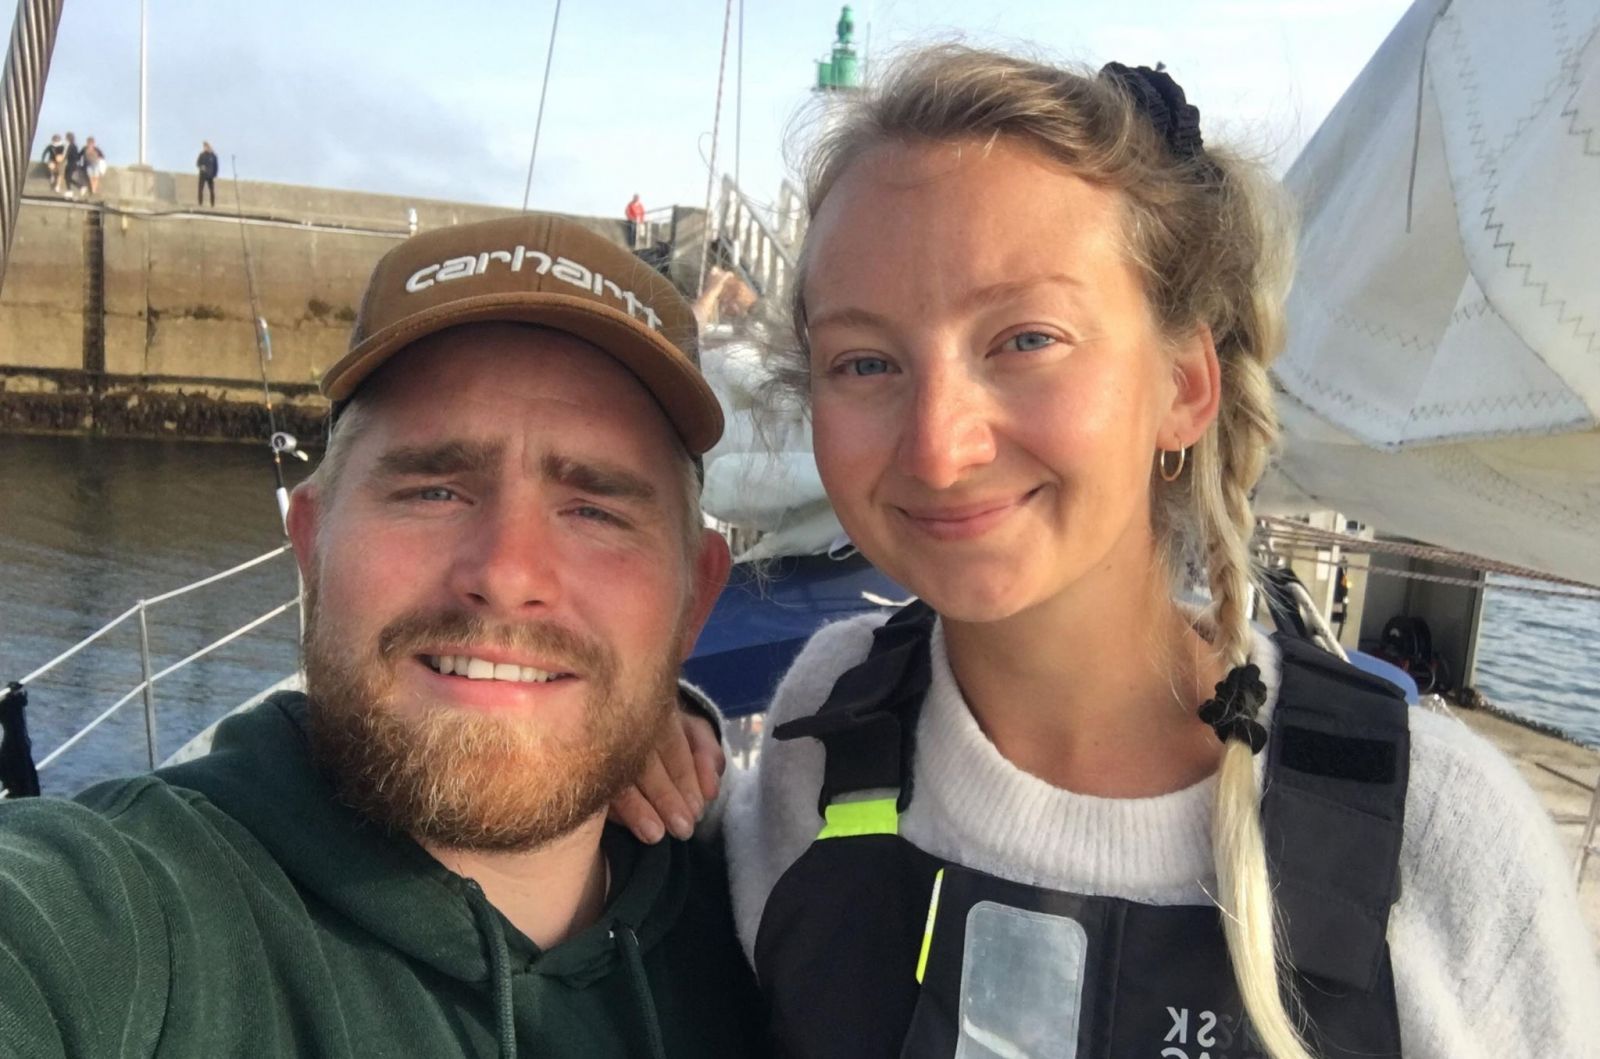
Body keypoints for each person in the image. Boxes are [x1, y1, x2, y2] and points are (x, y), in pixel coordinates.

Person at [617, 45, 1600, 1059]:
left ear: (1185, 386)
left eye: (1026, 340)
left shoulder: (1437, 842)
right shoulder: (821, 736)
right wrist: (615, 738)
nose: (938, 449)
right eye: (866, 362)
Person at [0, 214, 766, 1056]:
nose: (507, 572)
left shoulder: (775, 928)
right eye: (433, 491)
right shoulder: (122, 915)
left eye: (594, 510)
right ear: (311, 547)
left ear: (695, 597)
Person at [196, 141, 218, 206]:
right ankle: (200, 203)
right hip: (202, 175)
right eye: (204, 147)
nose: (206, 148)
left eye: (207, 146)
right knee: (200, 189)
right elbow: (198, 163)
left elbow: (216, 166)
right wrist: (201, 167)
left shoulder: (213, 156)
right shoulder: (201, 155)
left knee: (212, 191)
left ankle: (212, 204)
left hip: (210, 176)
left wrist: (215, 175)